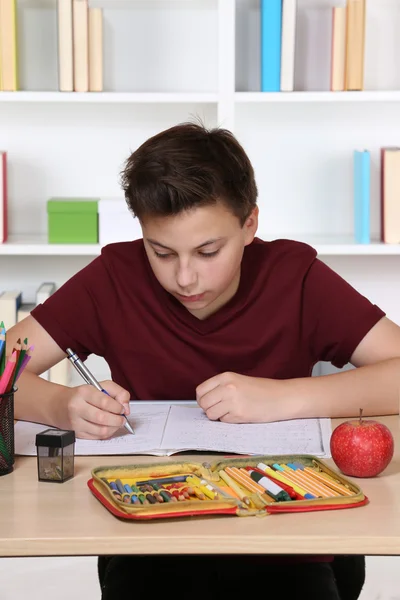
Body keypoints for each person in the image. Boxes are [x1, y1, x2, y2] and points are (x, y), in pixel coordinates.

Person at [7, 122, 400, 599]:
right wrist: (60, 405)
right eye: (162, 252)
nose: (185, 277)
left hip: (286, 534)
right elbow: (7, 366)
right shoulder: (114, 277)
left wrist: (282, 397)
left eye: (208, 251)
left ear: (249, 224)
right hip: (150, 532)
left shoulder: (295, 277)